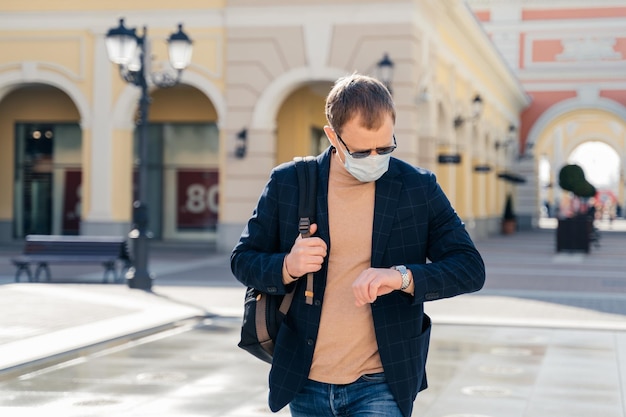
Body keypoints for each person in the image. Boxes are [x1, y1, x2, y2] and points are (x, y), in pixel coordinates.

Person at [231, 73, 485, 417]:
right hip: (305, 378)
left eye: (386, 147)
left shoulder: (418, 187)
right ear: (333, 136)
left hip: (382, 380)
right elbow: (243, 260)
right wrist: (287, 266)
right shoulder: (289, 182)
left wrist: (402, 278)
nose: (376, 158)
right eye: (363, 151)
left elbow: (469, 269)